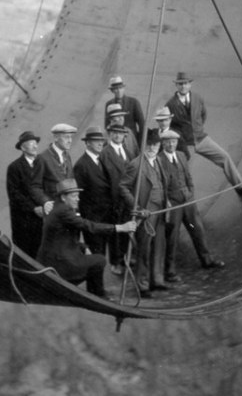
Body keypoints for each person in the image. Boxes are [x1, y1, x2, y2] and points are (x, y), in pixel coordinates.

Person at [37, 178, 137, 299]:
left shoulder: (59, 208)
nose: (78, 199)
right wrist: (120, 227)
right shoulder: (63, 210)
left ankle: (94, 293)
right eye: (74, 196)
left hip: (54, 259)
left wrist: (83, 247)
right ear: (63, 197)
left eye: (78, 196)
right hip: (58, 264)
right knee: (99, 260)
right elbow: (89, 226)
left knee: (93, 258)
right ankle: (98, 295)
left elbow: (62, 237)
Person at [165, 71, 242, 197]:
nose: (183, 86)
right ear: (176, 86)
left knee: (225, 157)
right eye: (180, 84)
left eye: (185, 83)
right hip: (186, 144)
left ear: (190, 84)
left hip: (201, 139)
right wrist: (181, 141)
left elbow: (203, 115)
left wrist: (198, 129)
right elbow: (170, 126)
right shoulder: (170, 104)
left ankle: (241, 186)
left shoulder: (197, 98)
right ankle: (181, 203)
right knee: (181, 171)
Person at [159, 128, 225, 281]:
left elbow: (189, 177)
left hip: (188, 201)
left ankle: (207, 260)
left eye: (173, 141)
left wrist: (191, 194)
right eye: (168, 142)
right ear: (163, 143)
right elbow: (160, 184)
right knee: (172, 238)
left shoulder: (181, 155)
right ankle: (170, 270)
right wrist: (167, 201)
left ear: (177, 142)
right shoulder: (159, 160)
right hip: (173, 204)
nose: (171, 145)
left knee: (198, 231)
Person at [72, 127, 124, 296]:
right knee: (97, 255)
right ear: (87, 143)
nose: (100, 144)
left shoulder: (102, 160)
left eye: (101, 141)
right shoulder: (81, 165)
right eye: (96, 141)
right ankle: (96, 290)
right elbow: (77, 195)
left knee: (104, 253)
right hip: (93, 219)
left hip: (108, 215)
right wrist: (82, 218)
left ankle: (97, 288)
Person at [119, 128, 170, 297]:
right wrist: (137, 207)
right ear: (143, 145)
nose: (152, 148)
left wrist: (167, 200)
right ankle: (142, 284)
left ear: (159, 146)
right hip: (145, 212)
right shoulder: (135, 164)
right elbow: (123, 187)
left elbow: (162, 184)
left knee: (159, 246)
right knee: (144, 249)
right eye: (148, 144)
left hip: (161, 210)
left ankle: (157, 279)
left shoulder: (159, 161)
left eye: (155, 144)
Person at [5, 130, 45, 257]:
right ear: (23, 147)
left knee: (39, 249)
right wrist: (33, 208)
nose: (35, 146)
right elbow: (14, 194)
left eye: (36, 143)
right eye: (31, 143)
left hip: (40, 217)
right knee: (23, 251)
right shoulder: (14, 167)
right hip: (22, 218)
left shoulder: (41, 164)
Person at [101, 123, 132, 275]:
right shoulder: (105, 152)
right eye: (114, 133)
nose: (117, 135)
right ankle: (115, 262)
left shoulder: (126, 150)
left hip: (126, 198)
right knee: (115, 233)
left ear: (124, 135)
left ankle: (125, 257)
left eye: (120, 133)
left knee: (126, 229)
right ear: (110, 134)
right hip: (113, 199)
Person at [31, 123, 77, 212]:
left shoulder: (67, 156)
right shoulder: (42, 158)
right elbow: (35, 187)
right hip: (53, 211)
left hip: (68, 210)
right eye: (66, 137)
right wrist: (45, 202)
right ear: (56, 138)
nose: (70, 140)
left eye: (71, 137)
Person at [104, 76, 145, 146]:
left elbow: (142, 125)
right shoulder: (109, 104)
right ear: (112, 91)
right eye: (116, 89)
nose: (119, 91)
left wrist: (141, 143)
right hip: (115, 140)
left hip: (131, 141)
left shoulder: (133, 102)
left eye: (120, 88)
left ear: (124, 88)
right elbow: (107, 125)